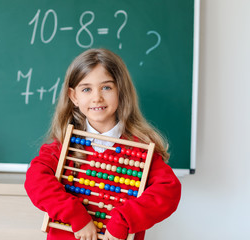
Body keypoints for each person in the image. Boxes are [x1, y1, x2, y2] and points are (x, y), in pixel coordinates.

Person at [25, 48, 181, 240]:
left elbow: (169, 190)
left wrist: (124, 220)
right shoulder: (63, 146)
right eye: (86, 89)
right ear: (74, 96)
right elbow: (36, 179)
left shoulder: (138, 149)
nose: (97, 97)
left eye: (106, 87)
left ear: (120, 91)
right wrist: (76, 216)